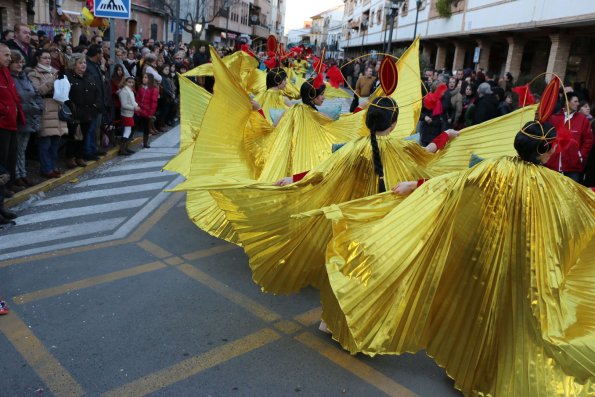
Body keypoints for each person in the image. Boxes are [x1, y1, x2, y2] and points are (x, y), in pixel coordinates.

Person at [311, 117, 595, 397]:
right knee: (508, 316)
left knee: (478, 310)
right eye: (553, 147)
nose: (556, 151)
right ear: (544, 150)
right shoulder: (555, 185)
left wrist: (415, 185)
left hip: (481, 255)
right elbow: (583, 207)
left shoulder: (495, 167)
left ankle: (466, 367)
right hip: (523, 264)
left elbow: (452, 184)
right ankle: (489, 373)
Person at [28, 48, 68, 179]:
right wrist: (52, 81)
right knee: (45, 141)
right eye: (45, 58)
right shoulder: (34, 73)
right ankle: (46, 168)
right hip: (45, 108)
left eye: (49, 58)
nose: (48, 60)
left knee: (56, 140)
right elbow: (38, 90)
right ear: (38, 59)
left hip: (57, 107)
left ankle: (53, 166)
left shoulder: (55, 71)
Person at [10, 50, 42, 188]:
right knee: (16, 149)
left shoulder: (24, 77)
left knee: (22, 149)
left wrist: (39, 107)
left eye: (21, 62)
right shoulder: (10, 78)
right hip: (17, 118)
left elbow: (36, 93)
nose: (20, 64)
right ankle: (17, 175)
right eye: (16, 62)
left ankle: (22, 174)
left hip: (29, 117)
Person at [545, 92, 594, 183]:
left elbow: (588, 140)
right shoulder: (554, 118)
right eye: (575, 101)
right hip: (553, 164)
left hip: (572, 166)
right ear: (567, 102)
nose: (578, 104)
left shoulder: (583, 120)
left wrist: (580, 155)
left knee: (570, 195)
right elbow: (547, 137)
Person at [64, 53, 101, 168]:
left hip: (88, 112)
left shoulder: (88, 76)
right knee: (73, 136)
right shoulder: (67, 77)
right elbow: (65, 95)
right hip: (74, 112)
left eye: (84, 62)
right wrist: (71, 107)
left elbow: (96, 92)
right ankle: (70, 157)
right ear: (74, 64)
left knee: (83, 136)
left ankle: (79, 156)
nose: (83, 65)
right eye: (80, 63)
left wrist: (95, 106)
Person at [0, 43, 24, 197]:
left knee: (11, 155)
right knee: (2, 157)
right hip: (2, 121)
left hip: (11, 121)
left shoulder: (5, 72)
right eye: (6, 55)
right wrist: (5, 110)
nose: (9, 58)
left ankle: (9, 185)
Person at [84, 44, 107, 159]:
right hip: (91, 103)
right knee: (90, 128)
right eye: (101, 53)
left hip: (98, 101)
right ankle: (88, 151)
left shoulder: (95, 65)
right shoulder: (88, 66)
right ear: (97, 54)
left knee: (95, 128)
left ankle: (93, 148)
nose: (103, 55)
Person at [135, 73, 158, 149]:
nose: (144, 79)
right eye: (143, 77)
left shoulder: (154, 89)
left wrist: (151, 113)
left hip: (147, 112)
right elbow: (137, 98)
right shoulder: (141, 87)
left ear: (150, 79)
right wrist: (137, 106)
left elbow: (154, 102)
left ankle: (145, 143)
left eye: (146, 77)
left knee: (146, 127)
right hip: (139, 110)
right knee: (135, 125)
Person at [118, 76, 139, 155]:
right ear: (125, 82)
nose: (130, 84)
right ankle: (122, 149)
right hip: (126, 113)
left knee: (128, 130)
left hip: (129, 113)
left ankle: (125, 147)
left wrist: (136, 106)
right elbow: (124, 105)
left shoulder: (130, 91)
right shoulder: (124, 91)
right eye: (129, 82)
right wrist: (134, 108)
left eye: (132, 82)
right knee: (127, 131)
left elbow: (132, 101)